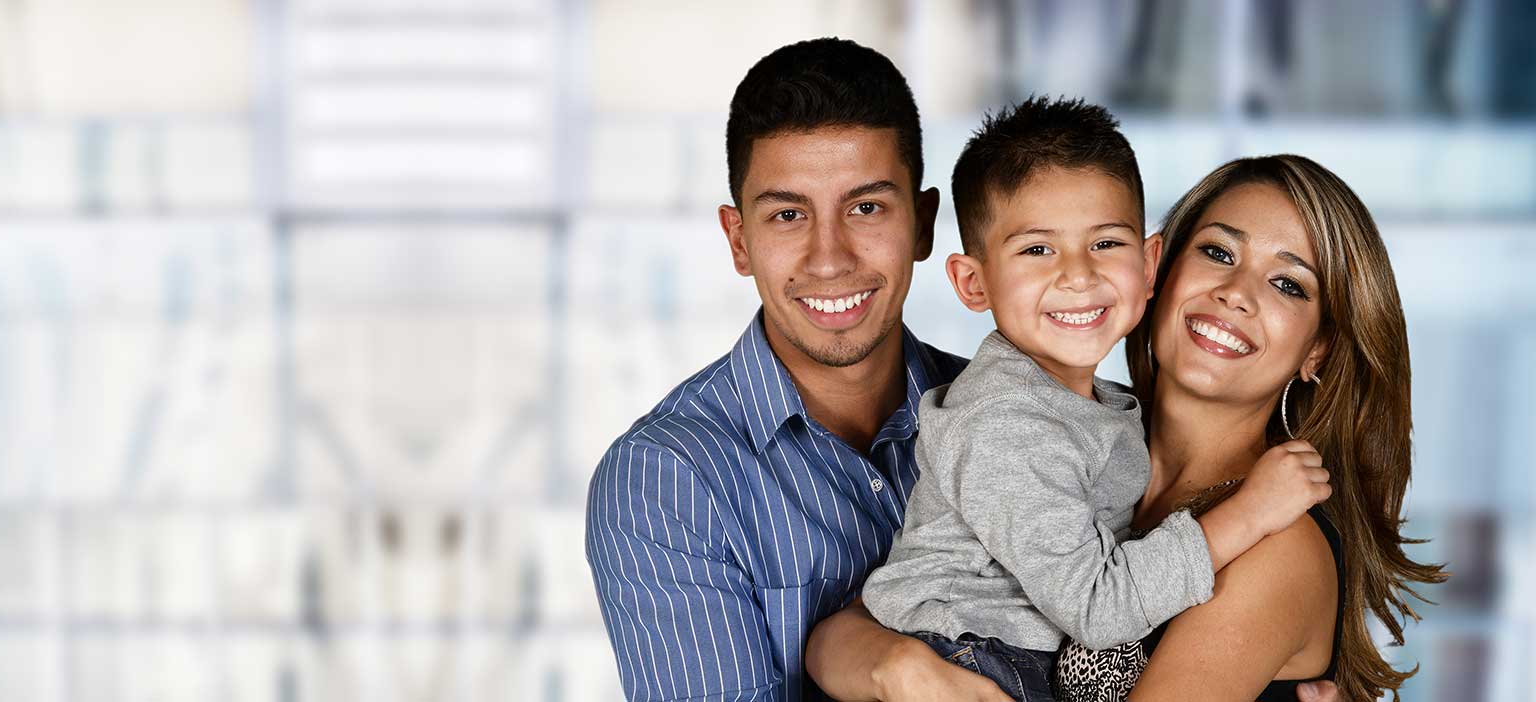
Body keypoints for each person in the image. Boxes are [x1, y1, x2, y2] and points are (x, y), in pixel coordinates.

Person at [807, 155, 1444, 701]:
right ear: (1156, 273)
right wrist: (903, 669)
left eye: (1287, 284)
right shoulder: (1061, 446)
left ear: (1318, 351)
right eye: (1218, 252)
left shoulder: (1273, 542)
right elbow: (849, 631)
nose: (1237, 292)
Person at [858, 98, 1331, 702]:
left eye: (1105, 243)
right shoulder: (1009, 422)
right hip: (975, 656)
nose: (1077, 275)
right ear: (974, 283)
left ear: (1147, 261)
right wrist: (1247, 514)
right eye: (1036, 249)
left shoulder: (1274, 546)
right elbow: (1098, 609)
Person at [582, 37, 987, 701]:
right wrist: (888, 670)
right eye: (789, 214)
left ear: (923, 224)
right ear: (739, 241)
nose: (829, 258)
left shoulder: (1019, 413)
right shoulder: (667, 482)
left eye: (866, 207)